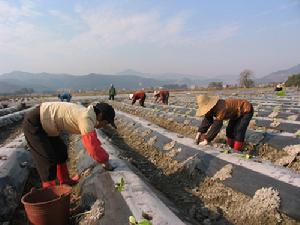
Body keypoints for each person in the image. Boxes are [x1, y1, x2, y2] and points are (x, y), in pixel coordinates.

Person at [23, 102, 116, 188]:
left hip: (48, 124)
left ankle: (65, 180)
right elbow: (92, 146)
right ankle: (51, 194)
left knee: (61, 151)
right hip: (35, 122)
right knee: (47, 160)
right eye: (106, 122)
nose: (104, 125)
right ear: (100, 115)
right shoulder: (86, 118)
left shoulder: (88, 114)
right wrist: (105, 161)